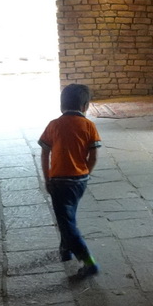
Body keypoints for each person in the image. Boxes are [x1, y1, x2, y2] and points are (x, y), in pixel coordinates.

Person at [39, 83, 102, 279]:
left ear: (61, 105)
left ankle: (88, 261)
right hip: (79, 181)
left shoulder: (54, 125)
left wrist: (47, 177)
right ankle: (65, 249)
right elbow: (93, 157)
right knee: (68, 216)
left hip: (59, 181)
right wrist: (86, 173)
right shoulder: (89, 126)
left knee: (66, 221)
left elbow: (45, 152)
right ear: (85, 106)